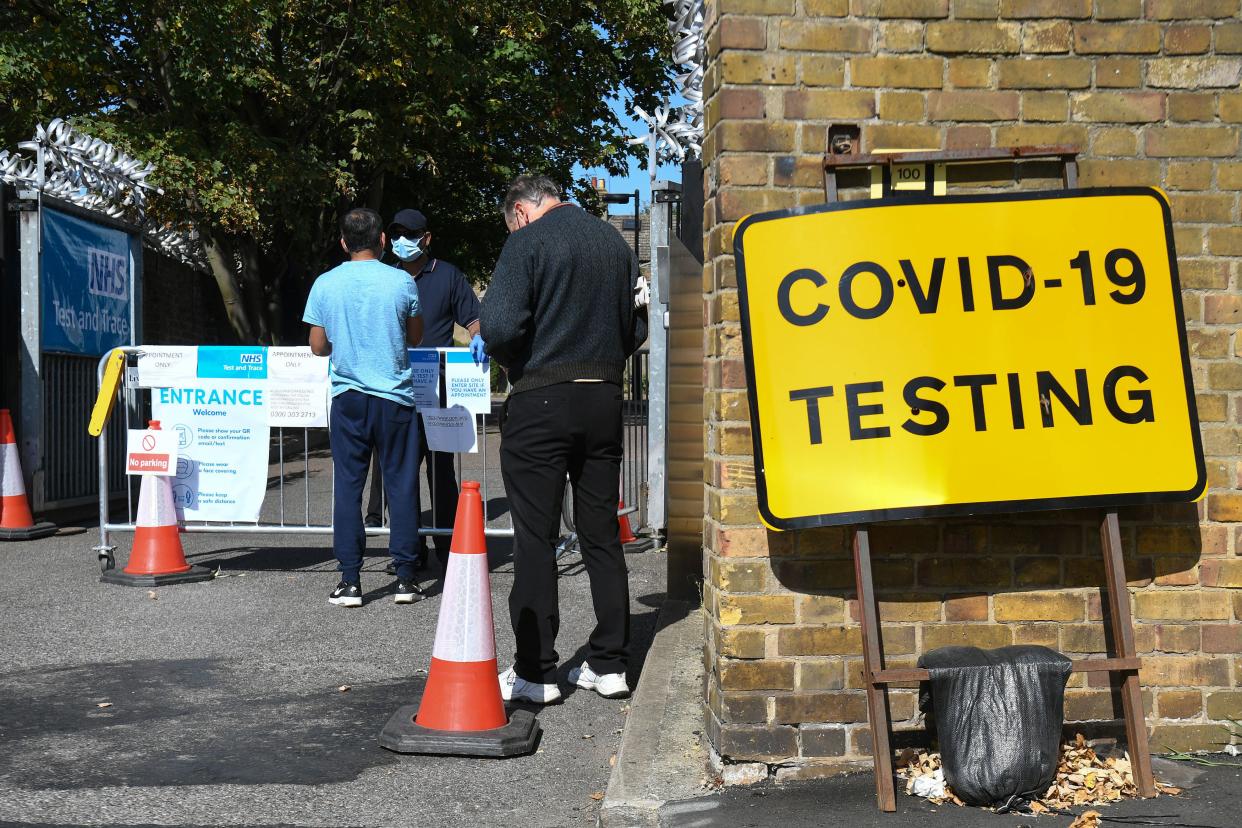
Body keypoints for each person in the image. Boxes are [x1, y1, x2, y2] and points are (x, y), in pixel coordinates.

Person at [481, 175, 648, 703]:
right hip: (603, 398)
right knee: (601, 531)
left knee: (536, 537)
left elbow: (500, 324)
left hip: (541, 398)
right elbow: (636, 327)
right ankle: (610, 663)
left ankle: (535, 671)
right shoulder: (612, 244)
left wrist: (516, 363)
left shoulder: (526, 242)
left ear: (521, 212)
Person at [303, 207, 425, 607]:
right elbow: (416, 337)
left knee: (349, 486)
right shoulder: (401, 281)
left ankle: (351, 580)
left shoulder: (325, 283)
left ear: (343, 242)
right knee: (401, 485)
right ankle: (406, 578)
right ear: (383, 240)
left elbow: (318, 346)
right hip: (395, 397)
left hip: (349, 396)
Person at [364, 208, 484, 572]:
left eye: (410, 234)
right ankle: (408, 551)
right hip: (396, 387)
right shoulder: (385, 278)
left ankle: (447, 546)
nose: (402, 241)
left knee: (441, 471)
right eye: (396, 233)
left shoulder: (447, 276)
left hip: (438, 392)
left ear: (426, 238)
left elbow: (473, 317)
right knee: (400, 472)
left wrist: (479, 337)